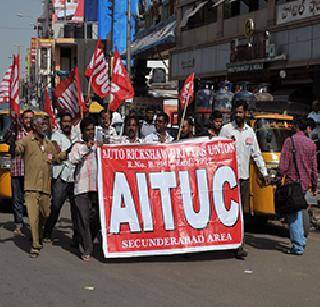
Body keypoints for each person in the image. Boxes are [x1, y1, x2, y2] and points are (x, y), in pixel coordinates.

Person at [11, 116, 67, 258]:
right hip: (31, 187)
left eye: (45, 124)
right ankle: (35, 245)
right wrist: (11, 142)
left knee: (45, 213)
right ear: (35, 126)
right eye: (42, 124)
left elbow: (56, 157)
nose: (45, 126)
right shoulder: (27, 141)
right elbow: (17, 149)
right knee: (33, 218)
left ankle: (39, 233)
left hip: (45, 188)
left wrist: (70, 151)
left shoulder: (49, 144)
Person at [220, 100, 269, 259]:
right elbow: (217, 152)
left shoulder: (250, 132)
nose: (238, 114)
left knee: (240, 214)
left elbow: (256, 154)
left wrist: (264, 173)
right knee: (226, 211)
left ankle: (239, 246)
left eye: (241, 112)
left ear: (245, 113)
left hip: (243, 179)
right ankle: (224, 242)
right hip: (227, 179)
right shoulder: (226, 130)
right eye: (236, 112)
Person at [279, 118, 317, 255]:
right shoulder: (311, 144)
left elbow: (284, 165)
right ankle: (301, 240)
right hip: (305, 184)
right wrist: (314, 185)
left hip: (292, 183)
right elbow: (314, 167)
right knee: (300, 212)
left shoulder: (290, 141)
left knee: (294, 215)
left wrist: (278, 178)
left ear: (296, 126)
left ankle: (298, 246)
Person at [43, 112, 79, 244]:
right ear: (60, 123)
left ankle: (77, 237)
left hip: (75, 176)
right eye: (64, 122)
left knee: (76, 209)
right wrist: (57, 153)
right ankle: (47, 231)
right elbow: (53, 155)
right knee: (56, 205)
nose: (67, 124)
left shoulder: (77, 136)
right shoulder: (55, 136)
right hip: (61, 176)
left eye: (69, 121)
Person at [69, 116, 100, 262]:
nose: (90, 132)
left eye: (92, 129)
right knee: (84, 219)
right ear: (83, 132)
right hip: (81, 188)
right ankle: (86, 248)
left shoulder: (98, 146)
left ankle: (83, 238)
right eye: (88, 130)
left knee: (96, 219)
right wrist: (87, 147)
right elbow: (73, 159)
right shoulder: (78, 145)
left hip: (96, 188)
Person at [5, 110, 34, 235]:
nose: (28, 120)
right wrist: (12, 126)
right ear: (22, 119)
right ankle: (19, 225)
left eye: (30, 118)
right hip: (17, 170)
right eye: (26, 118)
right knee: (17, 199)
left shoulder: (36, 133)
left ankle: (34, 226)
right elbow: (6, 139)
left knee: (32, 200)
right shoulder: (16, 130)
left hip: (31, 171)